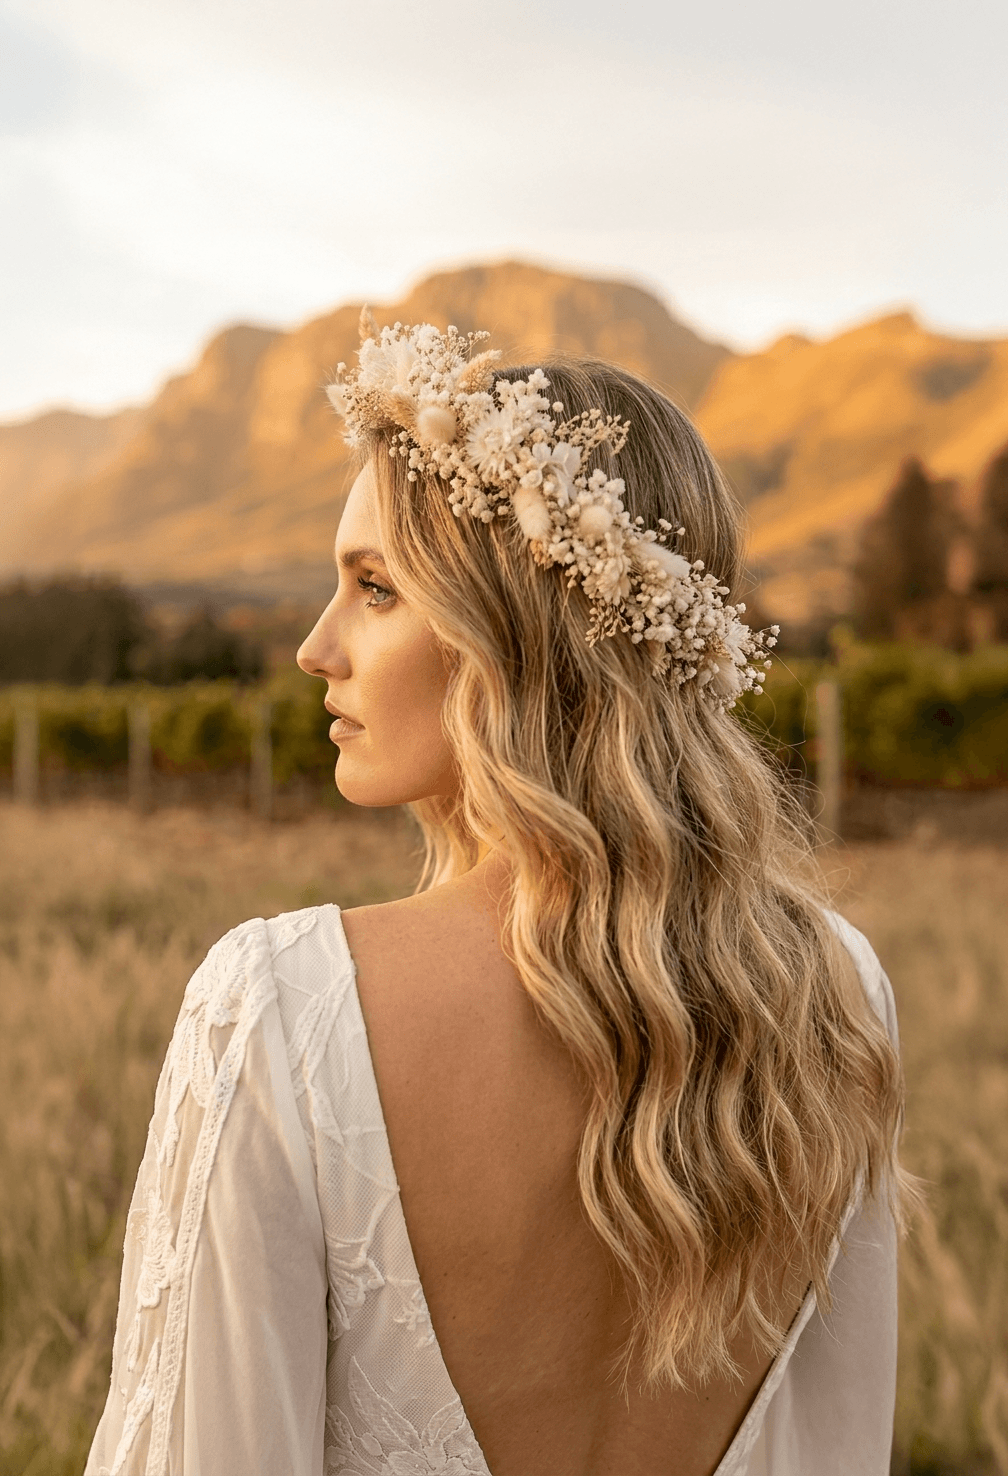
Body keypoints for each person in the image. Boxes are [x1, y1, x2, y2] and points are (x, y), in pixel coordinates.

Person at [86, 319, 911, 1476]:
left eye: (374, 589)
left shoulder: (278, 1013)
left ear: (511, 631)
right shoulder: (833, 995)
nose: (314, 648)